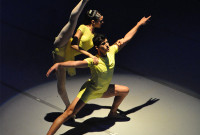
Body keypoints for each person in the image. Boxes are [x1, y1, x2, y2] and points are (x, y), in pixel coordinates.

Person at [46, 15, 151, 135]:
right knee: (69, 113)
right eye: (103, 44)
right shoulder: (94, 61)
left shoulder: (111, 51)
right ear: (97, 48)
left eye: (107, 42)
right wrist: (59, 64)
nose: (107, 45)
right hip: (90, 91)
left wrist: (138, 24)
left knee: (124, 90)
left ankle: (112, 113)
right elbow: (76, 63)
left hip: (104, 90)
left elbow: (126, 38)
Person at [53, 0, 104, 109]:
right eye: (100, 20)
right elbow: (73, 45)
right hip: (62, 45)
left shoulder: (94, 34)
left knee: (61, 87)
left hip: (63, 56)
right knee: (72, 21)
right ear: (93, 21)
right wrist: (89, 55)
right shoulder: (83, 27)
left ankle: (68, 107)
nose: (102, 22)